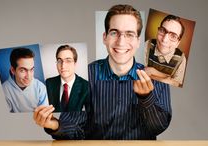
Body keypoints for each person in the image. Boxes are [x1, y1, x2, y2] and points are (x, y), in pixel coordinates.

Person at [33, 4, 171, 140]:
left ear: (138, 41)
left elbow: (158, 127)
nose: (121, 42)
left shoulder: (155, 75)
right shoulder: (87, 75)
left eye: (129, 34)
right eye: (114, 33)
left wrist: (146, 98)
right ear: (104, 37)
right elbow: (75, 128)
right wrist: (55, 124)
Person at [2, 48, 49, 113]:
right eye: (23, 70)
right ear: (13, 70)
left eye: (31, 69)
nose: (29, 76)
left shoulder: (41, 87)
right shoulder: (4, 90)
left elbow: (45, 115)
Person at [145, 15, 186, 87]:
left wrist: (152, 71)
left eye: (173, 36)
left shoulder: (181, 59)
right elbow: (138, 74)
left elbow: (176, 84)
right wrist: (167, 78)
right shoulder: (148, 44)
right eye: (163, 30)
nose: (164, 40)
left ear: (178, 43)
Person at [45, 45, 88, 112]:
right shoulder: (49, 83)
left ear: (75, 63)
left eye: (68, 61)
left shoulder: (86, 86)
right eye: (59, 61)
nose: (63, 66)